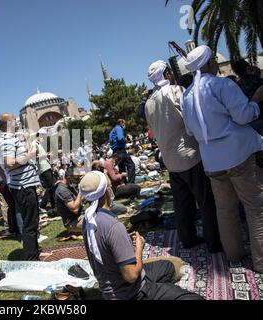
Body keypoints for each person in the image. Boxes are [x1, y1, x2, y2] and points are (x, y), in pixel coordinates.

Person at [181, 45, 263, 272]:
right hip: (239, 155)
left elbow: (190, 131)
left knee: (225, 210)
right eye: (214, 60)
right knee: (256, 208)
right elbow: (244, 115)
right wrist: (255, 102)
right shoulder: (222, 85)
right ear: (208, 63)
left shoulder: (187, 96)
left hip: (212, 162)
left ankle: (234, 254)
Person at [79, 171, 203, 300]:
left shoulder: (88, 220)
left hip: (114, 285)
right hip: (132, 293)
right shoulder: (113, 227)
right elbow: (131, 276)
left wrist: (124, 243)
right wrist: (139, 247)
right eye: (110, 186)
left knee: (169, 267)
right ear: (106, 191)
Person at [145, 60, 222, 252]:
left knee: (182, 203)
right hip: (190, 155)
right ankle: (214, 242)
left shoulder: (148, 103)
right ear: (167, 73)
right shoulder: (176, 91)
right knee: (205, 201)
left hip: (171, 160)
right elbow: (190, 120)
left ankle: (187, 239)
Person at [0, 112, 41, 261]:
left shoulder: (13, 139)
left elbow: (25, 155)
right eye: (13, 119)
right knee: (30, 224)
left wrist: (27, 141)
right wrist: (29, 156)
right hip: (23, 186)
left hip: (26, 184)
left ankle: (34, 253)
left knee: (33, 221)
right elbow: (9, 163)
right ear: (7, 123)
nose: (16, 120)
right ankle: (32, 258)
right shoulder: (7, 140)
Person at [32, 129, 56, 213]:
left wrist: (47, 157)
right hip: (43, 168)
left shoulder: (38, 144)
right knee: (51, 187)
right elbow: (35, 157)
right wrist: (47, 155)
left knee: (50, 188)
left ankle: (44, 204)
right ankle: (54, 206)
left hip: (45, 167)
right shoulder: (34, 144)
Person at [55, 167, 84, 234]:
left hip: (79, 218)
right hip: (72, 223)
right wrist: (80, 191)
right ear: (69, 177)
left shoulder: (69, 187)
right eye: (76, 178)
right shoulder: (62, 190)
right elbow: (75, 209)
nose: (78, 181)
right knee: (98, 222)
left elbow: (79, 201)